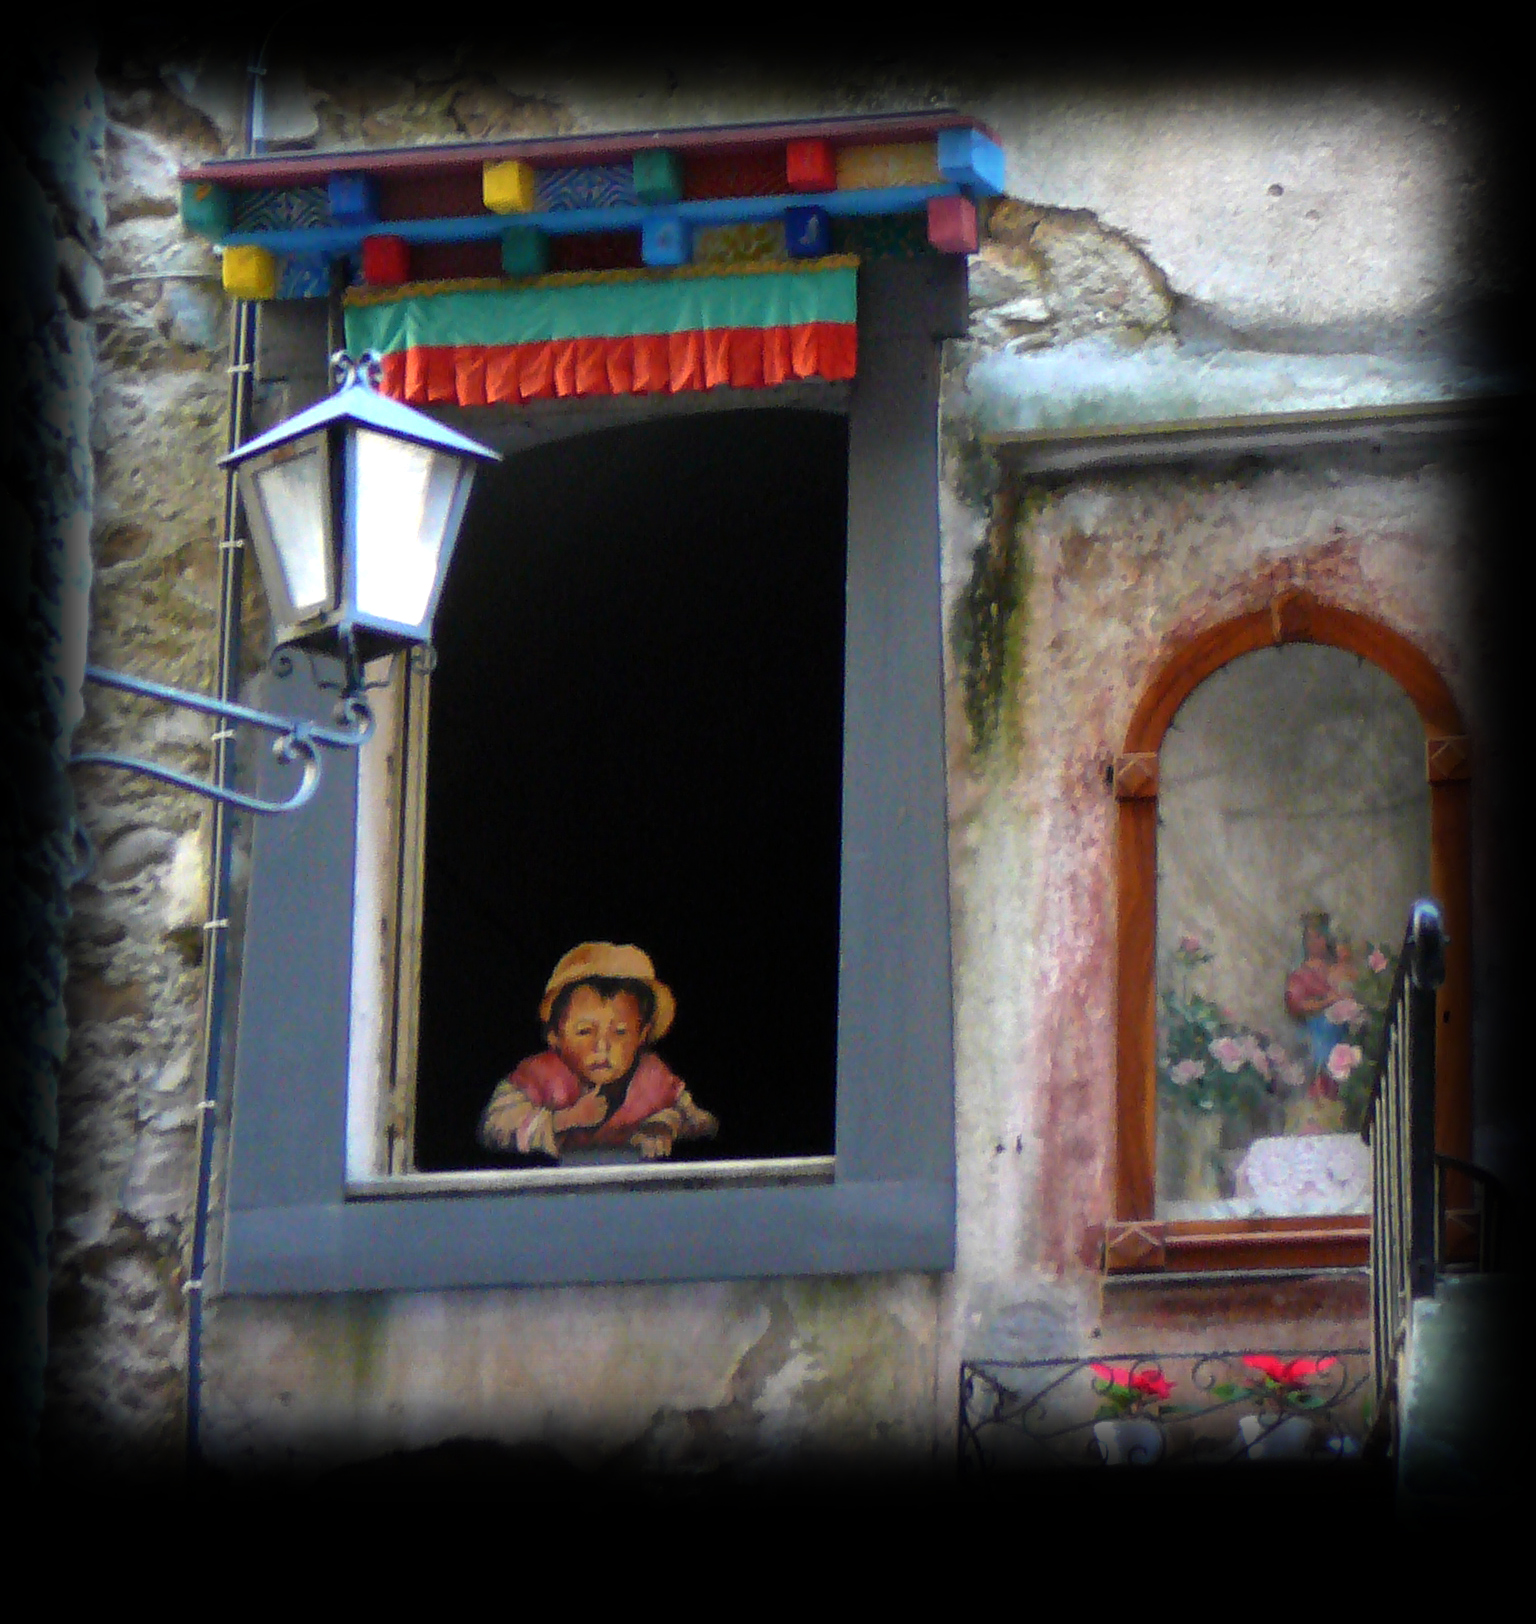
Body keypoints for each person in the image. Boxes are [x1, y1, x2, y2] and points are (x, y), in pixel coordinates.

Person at [478, 942, 719, 1162]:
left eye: (620, 1032)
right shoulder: (538, 1077)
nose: (602, 1046)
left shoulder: (654, 1077)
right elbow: (495, 1127)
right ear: (555, 1036)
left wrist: (663, 1125)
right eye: (585, 1031)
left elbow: (702, 1123)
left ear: (642, 1035)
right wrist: (565, 1119)